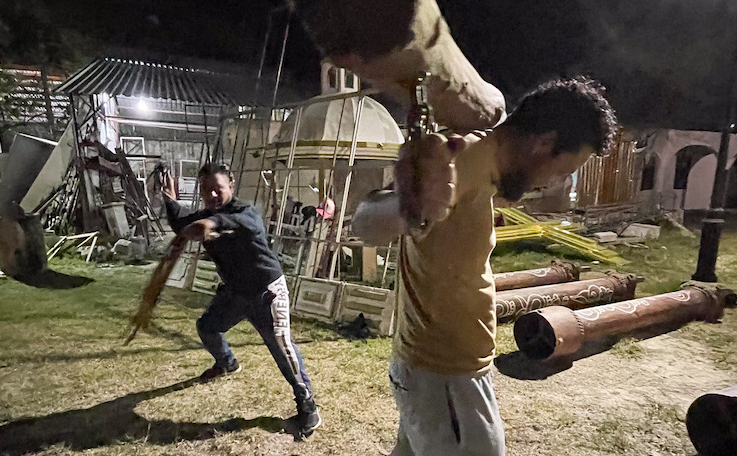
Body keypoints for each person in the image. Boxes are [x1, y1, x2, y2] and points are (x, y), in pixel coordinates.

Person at [352, 77, 617, 456]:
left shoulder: (487, 168)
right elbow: (364, 222)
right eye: (563, 169)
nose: (553, 182)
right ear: (544, 143)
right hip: (441, 371)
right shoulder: (463, 159)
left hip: (440, 370)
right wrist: (410, 206)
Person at [161, 163, 321, 436]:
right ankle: (226, 363)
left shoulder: (245, 213)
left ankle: (308, 408)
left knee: (282, 348)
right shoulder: (207, 213)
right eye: (206, 190)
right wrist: (170, 201)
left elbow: (225, 223)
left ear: (231, 186)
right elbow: (181, 224)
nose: (212, 195)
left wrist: (208, 224)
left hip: (266, 292)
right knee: (208, 327)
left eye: (218, 189)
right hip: (235, 293)